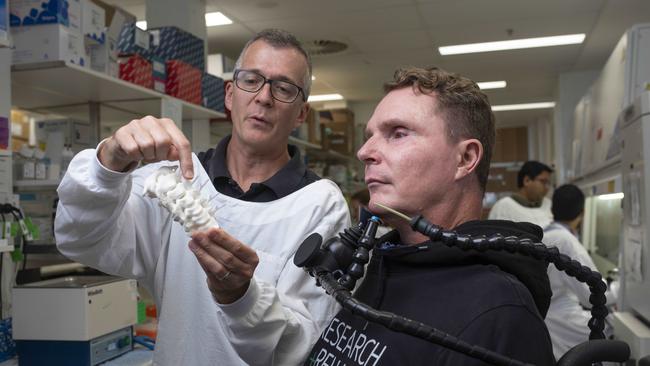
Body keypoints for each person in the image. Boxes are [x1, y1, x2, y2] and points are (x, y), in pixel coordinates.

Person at [55, 29, 350, 366]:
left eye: (283, 88)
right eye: (251, 80)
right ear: (229, 94)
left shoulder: (318, 204)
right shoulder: (175, 177)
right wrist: (109, 161)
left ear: (301, 114)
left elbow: (307, 342)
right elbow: (79, 239)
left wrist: (243, 297)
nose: (264, 97)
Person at [304, 66, 555, 366]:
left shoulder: (499, 311)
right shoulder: (386, 266)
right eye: (370, 136)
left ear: (465, 159)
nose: (364, 152)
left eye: (398, 134)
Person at [543, 184, 616, 359]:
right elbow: (593, 294)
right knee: (612, 328)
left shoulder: (548, 233)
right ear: (583, 212)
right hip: (559, 320)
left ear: (552, 209)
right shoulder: (565, 240)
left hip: (550, 313)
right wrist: (621, 288)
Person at [488, 160, 554, 228]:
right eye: (543, 182)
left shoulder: (548, 204)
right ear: (527, 181)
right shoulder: (503, 207)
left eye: (548, 183)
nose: (547, 187)